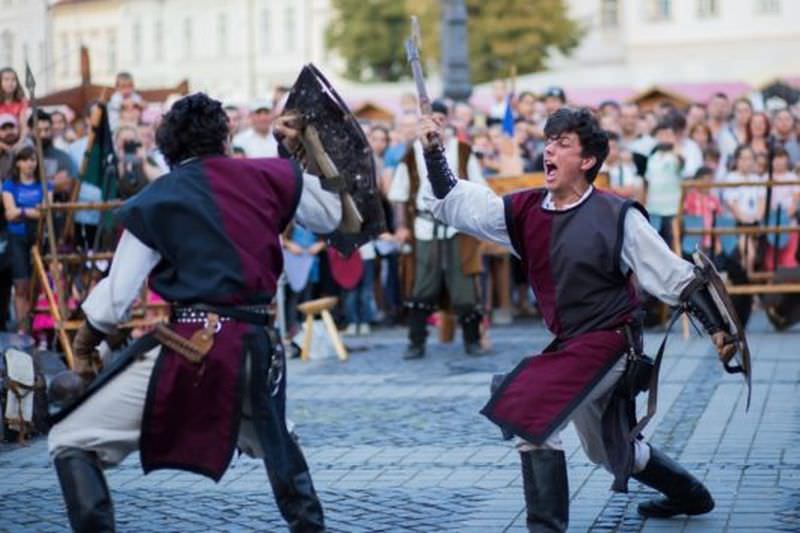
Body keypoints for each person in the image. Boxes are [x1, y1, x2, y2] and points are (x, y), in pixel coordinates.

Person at [416, 106, 736, 532]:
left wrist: (720, 330)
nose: (549, 149)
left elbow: (674, 276)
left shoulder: (616, 216)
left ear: (587, 161)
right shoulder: (525, 211)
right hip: (571, 345)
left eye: (562, 143)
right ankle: (690, 494)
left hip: (612, 343)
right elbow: (456, 203)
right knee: (607, 452)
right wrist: (435, 154)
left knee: (531, 416)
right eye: (549, 141)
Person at [47, 93, 341, 533]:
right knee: (277, 439)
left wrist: (87, 337)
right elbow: (332, 216)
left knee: (70, 439)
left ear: (167, 146)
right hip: (259, 347)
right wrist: (299, 155)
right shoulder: (267, 174)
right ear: (224, 138)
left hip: (193, 350)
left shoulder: (159, 197)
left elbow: (118, 295)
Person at [388, 99, 487, 359]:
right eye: (434, 119)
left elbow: (478, 188)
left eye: (442, 119)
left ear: (449, 121)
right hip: (424, 227)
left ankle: (472, 341)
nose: (438, 124)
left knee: (464, 287)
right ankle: (416, 342)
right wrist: (400, 226)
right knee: (422, 288)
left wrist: (475, 219)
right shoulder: (412, 153)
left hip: (458, 227)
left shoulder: (463, 150)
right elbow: (398, 193)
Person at [1, 146, 53, 334]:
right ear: (18, 163)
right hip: (17, 237)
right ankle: (22, 328)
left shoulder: (45, 184)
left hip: (39, 237)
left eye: (33, 160)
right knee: (20, 284)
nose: (30, 164)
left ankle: (35, 327)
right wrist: (31, 211)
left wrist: (21, 211)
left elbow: (47, 211)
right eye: (25, 160)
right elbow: (9, 213)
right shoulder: (10, 184)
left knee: (37, 284)